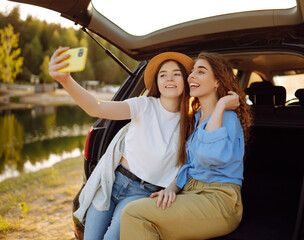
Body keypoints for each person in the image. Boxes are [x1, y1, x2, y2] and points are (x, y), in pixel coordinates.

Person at [49, 49, 196, 240]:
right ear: (157, 83)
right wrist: (65, 80)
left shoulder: (191, 123)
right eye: (163, 75)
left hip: (143, 194)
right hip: (112, 184)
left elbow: (187, 165)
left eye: (176, 74)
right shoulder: (143, 105)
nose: (169, 79)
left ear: (185, 81)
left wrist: (172, 189)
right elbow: (97, 108)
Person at [120, 52, 252, 240]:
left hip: (220, 201)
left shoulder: (228, 118)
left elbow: (210, 156)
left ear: (217, 82)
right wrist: (171, 189)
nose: (191, 76)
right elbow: (190, 166)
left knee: (133, 213)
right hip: (191, 193)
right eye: (191, 72)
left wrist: (221, 105)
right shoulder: (197, 118)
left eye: (201, 71)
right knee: (147, 221)